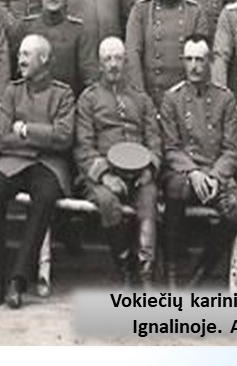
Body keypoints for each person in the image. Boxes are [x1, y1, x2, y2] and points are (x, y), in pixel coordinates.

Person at [0, 35, 75, 309]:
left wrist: (25, 130)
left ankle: (18, 280)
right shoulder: (12, 91)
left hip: (48, 165)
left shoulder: (63, 94)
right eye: (20, 54)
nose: (20, 60)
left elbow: (64, 137)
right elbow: (2, 138)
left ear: (43, 59)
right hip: (13, 161)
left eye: (26, 54)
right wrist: (42, 137)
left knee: (45, 197)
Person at [160, 34, 237, 286]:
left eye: (200, 59)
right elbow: (171, 148)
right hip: (184, 174)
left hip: (216, 174)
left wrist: (215, 176)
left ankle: (202, 271)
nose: (194, 66)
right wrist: (193, 172)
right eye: (189, 59)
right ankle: (172, 272)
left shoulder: (225, 99)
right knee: (176, 189)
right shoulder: (172, 99)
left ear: (209, 62)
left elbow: (232, 149)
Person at [74, 37, 161, 288]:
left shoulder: (141, 99)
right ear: (100, 64)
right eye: (108, 59)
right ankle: (124, 265)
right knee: (107, 202)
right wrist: (104, 176)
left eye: (118, 59)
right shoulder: (88, 99)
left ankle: (145, 270)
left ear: (126, 62)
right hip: (102, 175)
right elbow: (83, 146)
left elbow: (154, 140)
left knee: (149, 198)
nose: (113, 64)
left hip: (139, 174)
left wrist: (149, 169)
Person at [125, 0, 208, 108]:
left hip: (185, 100)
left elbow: (202, 59)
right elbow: (132, 54)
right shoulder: (141, 10)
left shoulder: (195, 11)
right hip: (151, 96)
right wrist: (141, 97)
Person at [11, 0, 99, 97]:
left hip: (69, 103)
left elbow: (90, 77)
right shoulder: (25, 28)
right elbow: (15, 76)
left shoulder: (79, 31)